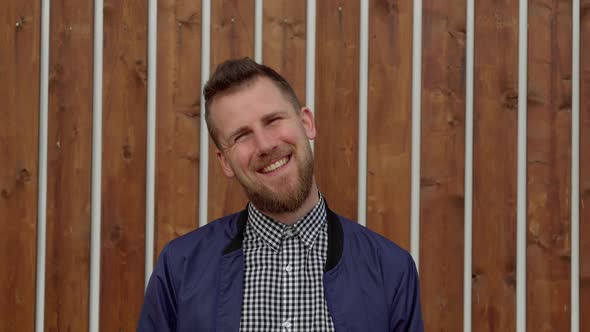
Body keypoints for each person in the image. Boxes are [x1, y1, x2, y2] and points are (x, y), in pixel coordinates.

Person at [138, 58, 423, 331]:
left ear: (307, 122)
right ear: (225, 161)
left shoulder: (391, 270)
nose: (264, 144)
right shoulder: (180, 268)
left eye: (273, 120)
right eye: (241, 136)